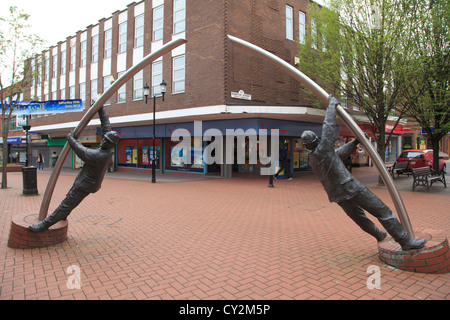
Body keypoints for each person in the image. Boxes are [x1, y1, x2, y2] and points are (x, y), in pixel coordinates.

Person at [300, 96, 426, 251]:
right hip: (349, 187)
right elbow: (328, 127)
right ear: (316, 141)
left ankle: (379, 235)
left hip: (337, 194)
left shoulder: (314, 157)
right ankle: (405, 241)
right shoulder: (323, 149)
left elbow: (337, 154)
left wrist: (354, 143)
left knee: (359, 218)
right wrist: (331, 106)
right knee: (382, 210)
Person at [29, 107, 119, 232]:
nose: (103, 140)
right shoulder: (108, 147)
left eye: (106, 140)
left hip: (85, 184)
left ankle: (43, 225)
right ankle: (63, 215)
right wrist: (101, 110)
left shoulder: (101, 155)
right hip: (87, 182)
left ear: (111, 144)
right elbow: (106, 125)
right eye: (104, 138)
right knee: (70, 200)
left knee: (66, 203)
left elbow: (82, 151)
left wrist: (71, 139)